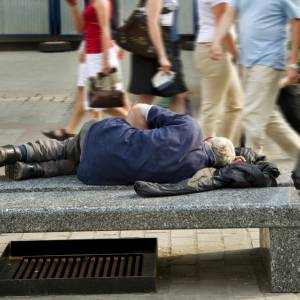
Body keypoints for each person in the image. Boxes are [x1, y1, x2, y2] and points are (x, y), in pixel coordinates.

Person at [0, 104, 246, 185]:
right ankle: (31, 171)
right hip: (94, 173)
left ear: (208, 139)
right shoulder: (193, 175)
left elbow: (139, 109)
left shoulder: (190, 127)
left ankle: (14, 152)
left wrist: (139, 136)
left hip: (101, 136)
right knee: (82, 162)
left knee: (67, 147)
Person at [211, 0, 300, 167]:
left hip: (269, 61)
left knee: (251, 116)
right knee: (269, 119)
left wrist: (293, 62)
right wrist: (216, 40)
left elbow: (296, 21)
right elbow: (229, 13)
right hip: (247, 63)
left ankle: (253, 167)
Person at [43, 0, 130, 140]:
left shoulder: (101, 2)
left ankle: (139, 126)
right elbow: (80, 28)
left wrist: (106, 61)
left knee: (101, 103)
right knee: (93, 106)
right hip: (92, 56)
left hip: (100, 56)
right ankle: (94, 143)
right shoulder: (91, 2)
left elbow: (105, 29)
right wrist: (73, 6)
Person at [194, 0, 243, 144]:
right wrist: (237, 55)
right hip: (215, 49)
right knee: (211, 111)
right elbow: (223, 23)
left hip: (215, 49)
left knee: (235, 104)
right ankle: (199, 156)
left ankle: (226, 153)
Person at [128, 0, 188, 114]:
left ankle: (175, 129)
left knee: (149, 97)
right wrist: (162, 56)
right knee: (175, 95)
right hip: (156, 45)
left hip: (162, 43)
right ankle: (178, 130)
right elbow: (152, 21)